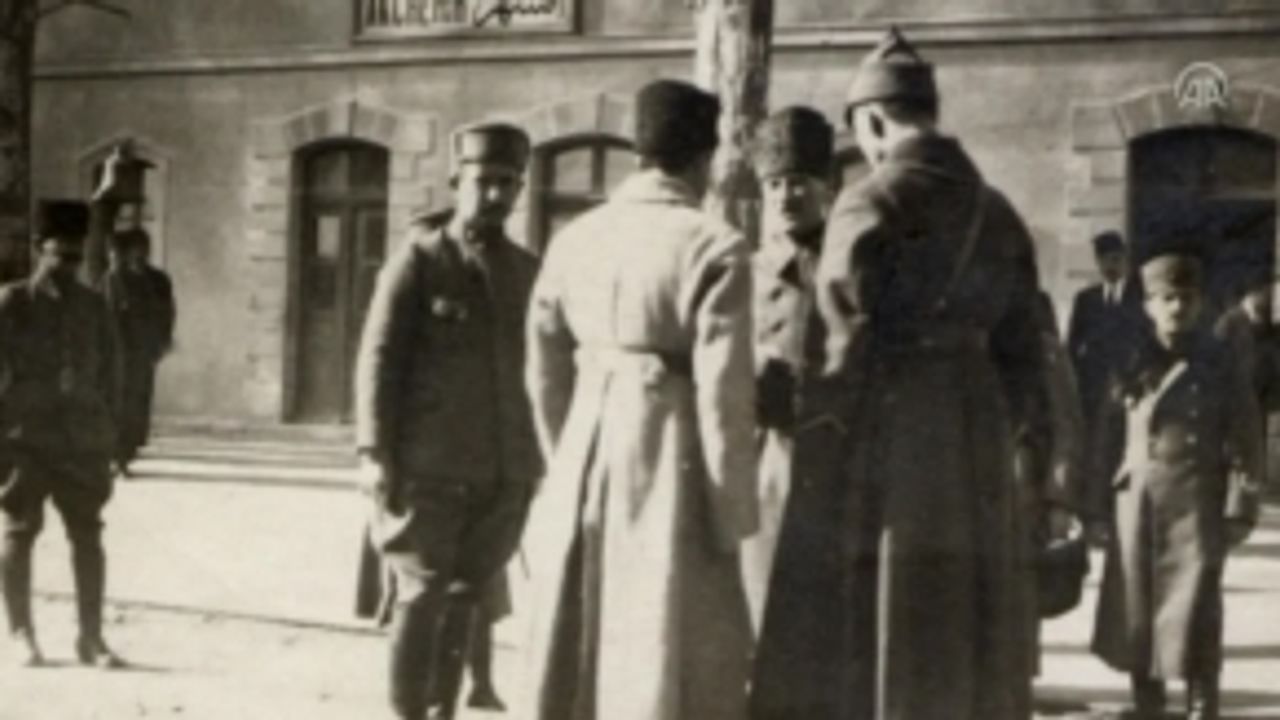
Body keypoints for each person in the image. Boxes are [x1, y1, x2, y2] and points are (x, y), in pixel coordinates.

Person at [751, 27, 1059, 720]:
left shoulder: (868, 201)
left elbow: (839, 344)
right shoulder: (999, 211)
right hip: (978, 443)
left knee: (883, 618)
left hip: (891, 440)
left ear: (871, 122)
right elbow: (1026, 361)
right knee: (964, 623)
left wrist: (816, 454)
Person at [523, 78, 758, 720]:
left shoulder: (575, 238)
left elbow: (542, 365)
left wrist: (564, 455)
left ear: (639, 153)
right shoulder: (715, 244)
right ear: (704, 159)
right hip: (670, 453)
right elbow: (724, 394)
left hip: (586, 445)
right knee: (665, 627)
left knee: (581, 624)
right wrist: (731, 514)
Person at [353, 122, 541, 720]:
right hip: (425, 469)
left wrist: (533, 466)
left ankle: (444, 712)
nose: (496, 194)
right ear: (457, 181)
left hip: (501, 473)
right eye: (484, 181)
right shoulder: (419, 261)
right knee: (422, 594)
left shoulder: (526, 271)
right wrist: (372, 452)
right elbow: (378, 359)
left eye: (509, 183)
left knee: (467, 597)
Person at [1090, 253, 1262, 720]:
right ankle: (1148, 704)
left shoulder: (1219, 359)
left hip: (1196, 502)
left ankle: (1203, 705)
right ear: (1148, 305)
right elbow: (1106, 437)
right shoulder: (1129, 359)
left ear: (1201, 303)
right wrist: (1095, 509)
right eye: (1166, 298)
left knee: (1199, 607)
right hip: (1135, 502)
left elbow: (1246, 435)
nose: (1177, 307)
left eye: (1186, 298)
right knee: (1137, 607)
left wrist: (1240, 506)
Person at [0, 200, 123, 668]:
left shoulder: (93, 306)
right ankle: (21, 633)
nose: (70, 266)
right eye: (61, 256)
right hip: (26, 439)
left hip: (80, 442)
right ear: (38, 248)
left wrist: (109, 435)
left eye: (76, 257)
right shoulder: (13, 303)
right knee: (20, 532)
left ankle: (91, 638)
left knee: (88, 536)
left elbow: (113, 373)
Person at [742, 105, 835, 630]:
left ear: (826, 187)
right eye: (774, 184)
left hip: (833, 447)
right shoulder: (745, 268)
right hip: (766, 452)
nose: (786, 195)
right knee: (762, 583)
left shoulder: (847, 265)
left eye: (799, 181)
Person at [100, 228, 175, 476]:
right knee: (118, 403)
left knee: (138, 402)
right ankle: (117, 456)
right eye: (136, 248)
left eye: (145, 247)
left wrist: (163, 341)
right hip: (117, 351)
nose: (141, 253)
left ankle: (127, 451)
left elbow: (167, 312)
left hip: (142, 351)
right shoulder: (113, 278)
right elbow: (105, 314)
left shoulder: (158, 279)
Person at [1067, 231, 1148, 451]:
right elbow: (1072, 345)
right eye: (1104, 260)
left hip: (1131, 383)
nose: (1110, 266)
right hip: (1093, 387)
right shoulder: (1085, 299)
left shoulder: (1140, 298)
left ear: (1125, 260)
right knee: (1095, 444)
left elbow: (1147, 339)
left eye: (1116, 259)